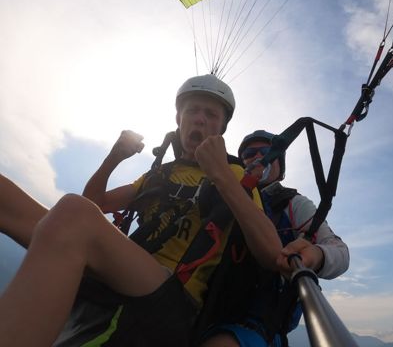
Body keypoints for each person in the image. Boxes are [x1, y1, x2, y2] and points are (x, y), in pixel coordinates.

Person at [0, 75, 281, 347]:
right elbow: (94, 205)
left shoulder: (234, 172)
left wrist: (219, 173)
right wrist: (114, 157)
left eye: (211, 115)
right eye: (192, 110)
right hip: (123, 271)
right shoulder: (159, 174)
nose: (200, 119)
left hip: (176, 297)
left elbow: (271, 253)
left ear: (220, 130)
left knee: (74, 213)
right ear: (178, 119)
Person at [198, 129, 350, 347]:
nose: (257, 157)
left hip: (255, 326)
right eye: (249, 153)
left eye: (266, 151)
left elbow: (339, 251)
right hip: (200, 308)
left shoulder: (293, 204)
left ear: (280, 164)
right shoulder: (216, 194)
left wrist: (316, 255)